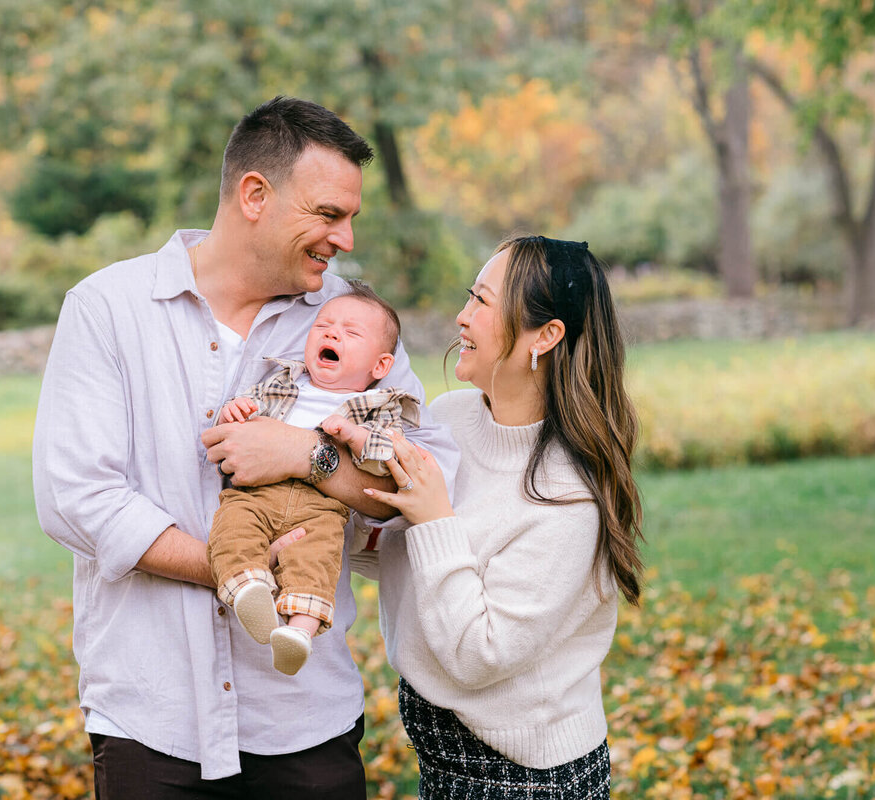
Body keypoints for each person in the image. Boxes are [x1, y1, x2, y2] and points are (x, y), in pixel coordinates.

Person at [32, 96, 458, 799]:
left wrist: (306, 456)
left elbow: (426, 480)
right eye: (328, 215)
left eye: (351, 218)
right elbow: (75, 498)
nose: (345, 238)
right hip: (152, 718)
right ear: (254, 195)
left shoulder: (353, 323)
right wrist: (240, 571)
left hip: (304, 718)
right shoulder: (107, 307)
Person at [357, 235, 644, 799]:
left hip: (525, 776)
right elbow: (409, 562)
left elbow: (476, 654)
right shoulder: (451, 418)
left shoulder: (568, 499)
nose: (461, 317)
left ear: (546, 335)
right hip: (441, 753)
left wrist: (434, 518)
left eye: (483, 302)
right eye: (470, 297)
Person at [209, 282, 418, 677]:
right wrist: (236, 411)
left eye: (351, 333)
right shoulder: (284, 381)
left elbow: (391, 458)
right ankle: (249, 587)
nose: (332, 334)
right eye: (323, 326)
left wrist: (356, 437)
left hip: (322, 508)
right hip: (256, 493)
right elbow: (248, 422)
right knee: (232, 527)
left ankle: (299, 634)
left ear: (380, 366)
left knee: (317, 559)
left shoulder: (378, 407)